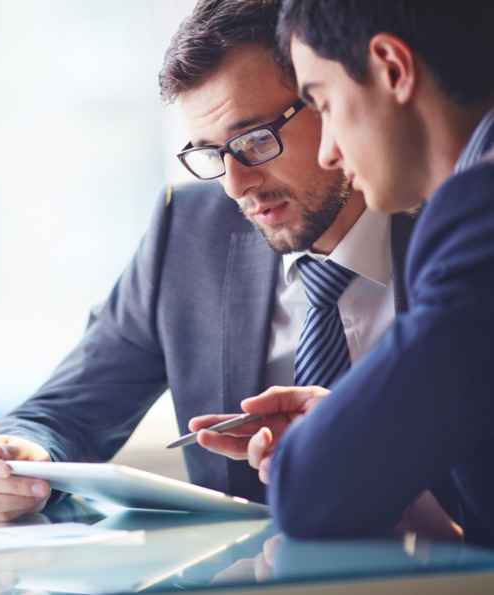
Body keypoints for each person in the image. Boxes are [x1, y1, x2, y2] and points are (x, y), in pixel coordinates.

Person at [0, 0, 416, 522]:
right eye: (211, 153)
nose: (235, 185)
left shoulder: (456, 224)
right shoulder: (191, 231)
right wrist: (12, 458)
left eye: (255, 140)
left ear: (326, 97)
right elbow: (67, 408)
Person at [192, 0, 494, 546]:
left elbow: (310, 492)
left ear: (392, 70)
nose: (331, 150)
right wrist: (364, 430)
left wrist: (338, 448)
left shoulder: (480, 211)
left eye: (323, 103)